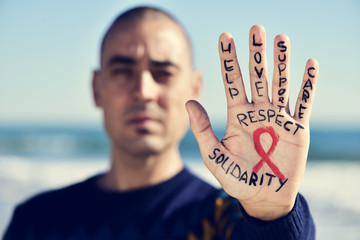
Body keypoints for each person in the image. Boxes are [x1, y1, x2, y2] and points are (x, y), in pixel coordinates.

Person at [4, 6, 318, 240]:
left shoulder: (225, 219)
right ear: (96, 88)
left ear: (194, 87)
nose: (143, 91)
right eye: (123, 71)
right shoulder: (38, 221)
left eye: (163, 73)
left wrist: (270, 214)